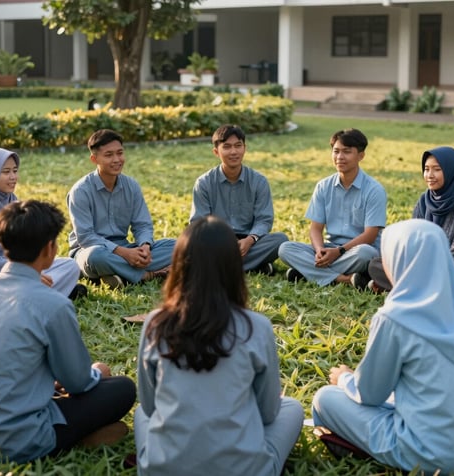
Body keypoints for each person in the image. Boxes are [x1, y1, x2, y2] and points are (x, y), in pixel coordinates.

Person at [0, 200, 136, 462]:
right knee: (120, 386)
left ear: (3, 245)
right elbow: (78, 382)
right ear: (50, 248)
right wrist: (95, 372)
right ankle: (74, 438)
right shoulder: (53, 304)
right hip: (18, 438)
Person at [312, 219, 454, 473]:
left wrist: (345, 377)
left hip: (431, 455)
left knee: (324, 398)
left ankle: (353, 447)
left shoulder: (395, 316)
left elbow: (369, 394)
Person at [134, 216, 304, 476]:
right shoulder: (256, 327)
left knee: (140, 416)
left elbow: (149, 407)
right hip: (245, 469)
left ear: (179, 266)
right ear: (234, 268)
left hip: (163, 468)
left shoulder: (156, 324)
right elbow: (268, 413)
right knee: (291, 408)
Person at [0, 147, 85, 299]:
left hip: (19, 265)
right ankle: (47, 294)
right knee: (6, 286)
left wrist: (33, 266)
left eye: (14, 170)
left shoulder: (11, 199)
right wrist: (25, 271)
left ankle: (37, 293)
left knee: (69, 266)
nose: (13, 177)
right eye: (6, 172)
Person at [67, 129, 175, 289]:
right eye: (109, 155)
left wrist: (144, 247)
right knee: (96, 257)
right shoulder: (80, 191)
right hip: (89, 250)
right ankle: (149, 275)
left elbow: (142, 225)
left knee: (178, 245)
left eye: (120, 153)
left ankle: (118, 276)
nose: (117, 159)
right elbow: (86, 237)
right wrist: (124, 253)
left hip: (126, 248)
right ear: (94, 159)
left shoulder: (131, 186)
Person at [278, 128, 386, 286]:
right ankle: (344, 279)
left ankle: (308, 273)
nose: (340, 157)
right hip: (330, 248)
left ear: (361, 156)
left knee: (366, 253)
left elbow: (370, 235)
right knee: (285, 249)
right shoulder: (323, 186)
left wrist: (339, 252)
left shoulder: (374, 190)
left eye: (346, 152)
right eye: (336, 151)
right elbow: (315, 229)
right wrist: (320, 250)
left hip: (356, 251)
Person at [367, 146, 454, 292]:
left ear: (451, 171)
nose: (430, 175)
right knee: (377, 264)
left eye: (437, 169)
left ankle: (393, 285)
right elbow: (413, 240)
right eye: (427, 169)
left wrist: (423, 264)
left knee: (435, 273)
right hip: (423, 264)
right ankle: (412, 287)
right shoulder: (425, 200)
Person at [190, 124, 287, 275]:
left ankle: (221, 267)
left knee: (280, 240)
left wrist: (249, 241)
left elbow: (264, 220)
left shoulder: (259, 181)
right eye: (227, 147)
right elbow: (198, 223)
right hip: (217, 242)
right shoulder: (204, 183)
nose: (233, 151)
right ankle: (255, 266)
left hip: (250, 242)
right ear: (216, 151)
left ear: (244, 148)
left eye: (238, 146)